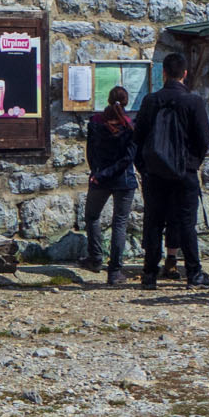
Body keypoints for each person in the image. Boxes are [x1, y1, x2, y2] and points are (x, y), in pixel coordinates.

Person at [133, 52, 209, 289]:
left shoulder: (151, 100)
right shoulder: (194, 101)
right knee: (187, 222)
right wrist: (192, 164)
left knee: (154, 221)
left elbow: (138, 138)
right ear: (185, 74)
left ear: (164, 73)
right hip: (185, 171)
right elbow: (204, 138)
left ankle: (149, 275)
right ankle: (193, 273)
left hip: (155, 172)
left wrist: (144, 167)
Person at [83, 85, 140, 284]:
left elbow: (90, 152)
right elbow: (129, 158)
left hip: (100, 178)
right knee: (120, 223)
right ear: (126, 101)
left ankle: (95, 258)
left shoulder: (95, 122)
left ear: (108, 99)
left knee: (92, 216)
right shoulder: (130, 125)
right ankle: (115, 271)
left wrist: (97, 173)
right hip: (124, 180)